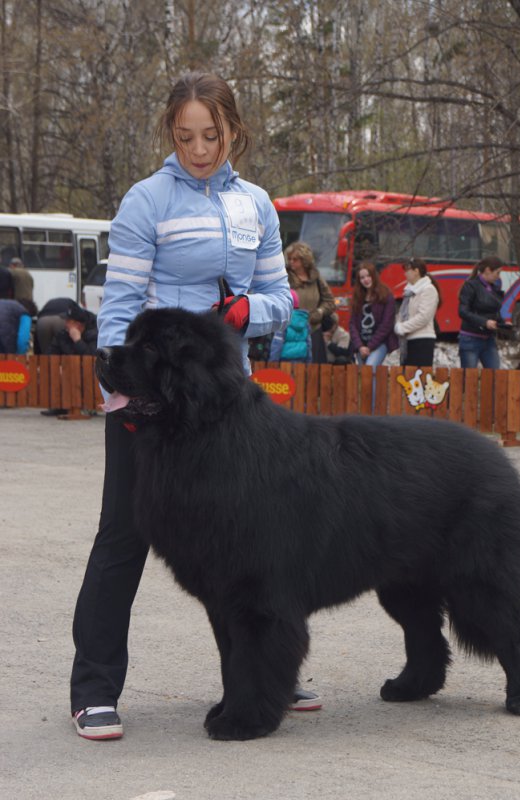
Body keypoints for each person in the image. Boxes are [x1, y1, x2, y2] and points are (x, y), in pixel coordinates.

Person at [69, 71, 323, 742]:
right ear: (169, 134)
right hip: (152, 400)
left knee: (254, 543)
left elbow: (280, 299)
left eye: (211, 135)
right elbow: (120, 307)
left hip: (229, 405)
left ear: (233, 130)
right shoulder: (145, 201)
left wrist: (249, 308)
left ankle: (267, 674)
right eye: (185, 137)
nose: (199, 149)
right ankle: (94, 688)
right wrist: (117, 394)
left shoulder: (257, 206)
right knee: (124, 535)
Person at [284, 241, 335, 363]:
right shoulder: (285, 278)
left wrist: (320, 311)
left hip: (313, 330)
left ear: (304, 260)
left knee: (315, 371)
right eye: (290, 259)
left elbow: (330, 301)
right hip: (291, 332)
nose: (291, 262)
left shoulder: (316, 278)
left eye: (295, 259)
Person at [458, 256, 510, 369]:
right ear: (487, 270)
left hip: (488, 339)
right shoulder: (471, 286)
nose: (498, 276)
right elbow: (462, 311)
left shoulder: (494, 288)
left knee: (495, 375)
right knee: (468, 378)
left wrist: (503, 323)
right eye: (497, 273)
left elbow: (495, 312)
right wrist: (485, 322)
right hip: (470, 339)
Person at [349, 261, 397, 367]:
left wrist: (370, 346)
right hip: (361, 345)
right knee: (365, 376)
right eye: (362, 278)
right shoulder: (357, 297)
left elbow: (386, 325)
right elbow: (352, 324)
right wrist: (360, 346)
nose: (366, 280)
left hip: (379, 343)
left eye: (368, 276)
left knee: (370, 368)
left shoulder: (386, 296)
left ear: (374, 276)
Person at [394, 258, 440, 367]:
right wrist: (397, 323)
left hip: (422, 340)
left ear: (416, 271)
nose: (405, 274)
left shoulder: (428, 289)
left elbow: (423, 317)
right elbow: (404, 313)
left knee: (419, 380)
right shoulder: (409, 291)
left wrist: (403, 327)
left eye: (407, 270)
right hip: (408, 340)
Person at [269, 289, 312, 362]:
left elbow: (277, 343)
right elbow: (309, 343)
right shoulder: (304, 321)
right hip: (301, 360)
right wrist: (309, 361)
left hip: (284, 361)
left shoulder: (284, 321)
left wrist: (272, 361)